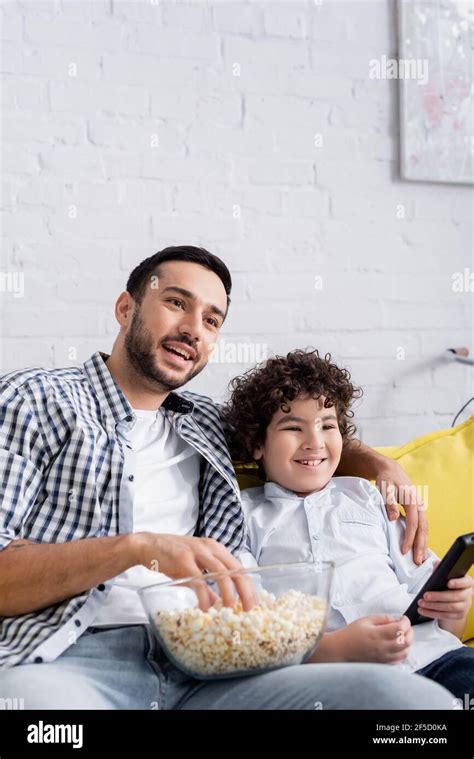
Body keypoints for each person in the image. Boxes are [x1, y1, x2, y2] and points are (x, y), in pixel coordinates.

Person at [0, 247, 454, 710]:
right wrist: (136, 548)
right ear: (126, 308)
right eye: (176, 303)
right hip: (74, 658)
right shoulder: (33, 400)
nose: (193, 329)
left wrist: (380, 465)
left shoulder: (207, 423)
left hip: (213, 665)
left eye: (212, 320)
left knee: (413, 704)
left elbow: (300, 433)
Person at [221, 348, 473, 705]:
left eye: (328, 425)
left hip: (436, 656)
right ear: (257, 444)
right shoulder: (245, 516)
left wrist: (455, 611)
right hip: (338, 676)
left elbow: (435, 609)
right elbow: (254, 625)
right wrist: (334, 649)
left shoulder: (366, 496)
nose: (315, 442)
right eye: (293, 427)